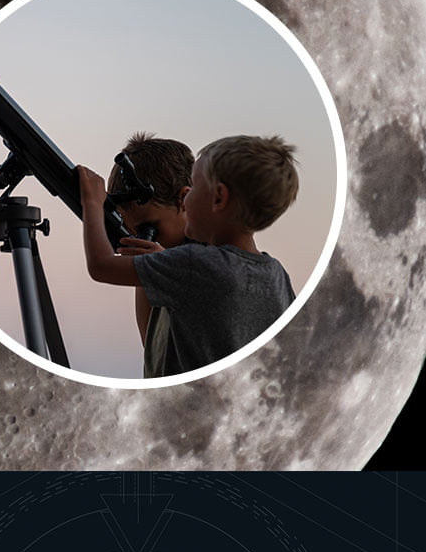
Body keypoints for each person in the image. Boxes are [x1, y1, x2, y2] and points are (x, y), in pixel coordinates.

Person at [77, 135, 299, 378]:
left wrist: (92, 204)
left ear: (218, 198)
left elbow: (101, 266)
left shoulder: (196, 265)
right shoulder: (277, 275)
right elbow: (154, 351)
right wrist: (156, 267)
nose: (187, 196)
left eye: (194, 186)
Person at [106, 132, 194, 349]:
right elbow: (152, 348)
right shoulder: (159, 262)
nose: (143, 239)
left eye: (149, 229)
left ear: (184, 199)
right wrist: (147, 271)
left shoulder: (213, 259)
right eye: (133, 231)